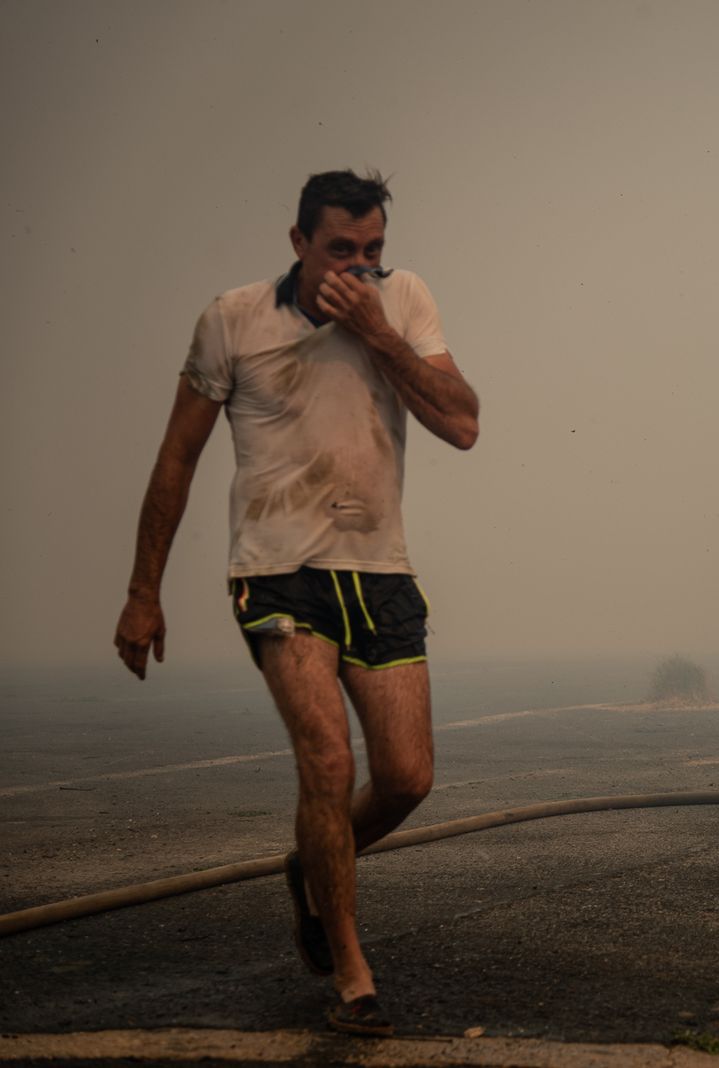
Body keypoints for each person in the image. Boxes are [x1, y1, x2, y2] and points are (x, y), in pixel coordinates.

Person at [112, 169, 479, 1036]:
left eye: (374, 250)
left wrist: (380, 334)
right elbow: (177, 458)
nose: (359, 266)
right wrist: (142, 593)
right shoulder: (234, 320)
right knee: (326, 763)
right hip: (279, 574)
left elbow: (462, 423)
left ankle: (314, 865)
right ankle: (352, 972)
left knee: (407, 778)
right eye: (341, 250)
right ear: (300, 243)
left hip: (379, 572)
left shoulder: (403, 302)